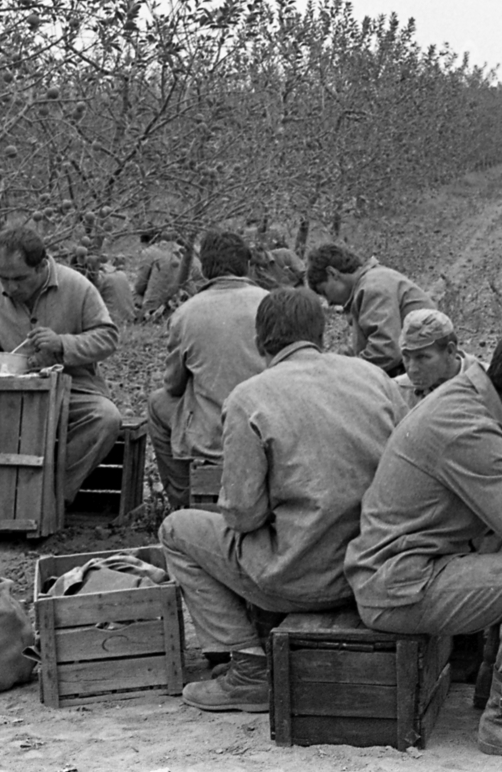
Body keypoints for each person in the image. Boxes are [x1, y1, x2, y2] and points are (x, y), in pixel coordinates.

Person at [347, 323, 502, 766]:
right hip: (400, 584)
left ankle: (491, 684)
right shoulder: (467, 425)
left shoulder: (473, 401)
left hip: (414, 568)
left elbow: (498, 496)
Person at [160, 288, 406, 712]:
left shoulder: (250, 397)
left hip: (299, 578)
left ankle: (248, 667)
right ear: (321, 334)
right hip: (375, 570)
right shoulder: (375, 378)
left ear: (260, 342)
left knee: (176, 529)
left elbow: (241, 515)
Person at [0, 227, 122, 502]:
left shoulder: (77, 286)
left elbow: (107, 337)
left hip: (71, 390)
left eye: (19, 278)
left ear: (41, 265)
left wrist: (63, 344)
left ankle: (49, 496)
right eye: (3, 277)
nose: (10, 287)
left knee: (106, 418)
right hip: (5, 390)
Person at [146, 231, 269, 509]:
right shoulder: (270, 303)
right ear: (247, 266)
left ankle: (183, 502)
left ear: (204, 269)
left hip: (214, 436)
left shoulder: (186, 313)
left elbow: (173, 386)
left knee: (157, 404)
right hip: (268, 428)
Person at [306, 242, 434, 376]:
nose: (329, 302)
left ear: (332, 273)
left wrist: (343, 374)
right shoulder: (371, 282)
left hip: (426, 373)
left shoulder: (373, 286)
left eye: (325, 292)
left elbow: (386, 352)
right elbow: (373, 343)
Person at [393, 307, 480, 409]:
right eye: (406, 357)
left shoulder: (487, 384)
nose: (412, 369)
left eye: (422, 357)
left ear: (450, 351)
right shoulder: (397, 391)